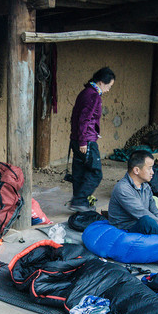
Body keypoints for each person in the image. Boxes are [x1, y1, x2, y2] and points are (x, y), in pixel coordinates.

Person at [69, 67, 115, 212]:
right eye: (109, 86)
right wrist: (83, 141)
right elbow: (85, 119)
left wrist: (78, 139)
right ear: (101, 82)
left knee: (80, 171)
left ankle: (78, 202)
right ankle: (80, 200)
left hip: (76, 139)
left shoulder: (85, 92)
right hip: (86, 140)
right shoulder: (94, 96)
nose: (108, 90)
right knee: (96, 172)